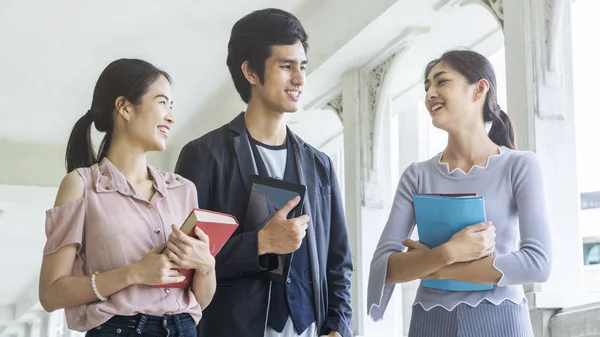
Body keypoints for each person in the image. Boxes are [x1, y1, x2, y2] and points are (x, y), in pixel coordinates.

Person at [175, 8, 353, 337]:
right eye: (286, 66)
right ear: (251, 73)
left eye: (302, 67)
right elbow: (184, 262)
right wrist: (260, 243)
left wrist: (337, 326)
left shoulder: (320, 165)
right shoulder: (203, 156)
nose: (299, 79)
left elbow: (338, 262)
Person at [366, 49, 552, 337]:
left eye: (441, 82)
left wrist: (437, 267)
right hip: (431, 323)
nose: (430, 93)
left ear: (479, 89)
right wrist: (449, 252)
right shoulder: (417, 176)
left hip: (502, 321)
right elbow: (383, 268)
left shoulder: (519, 166)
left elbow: (537, 263)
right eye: (427, 86)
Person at [39, 58, 216, 337]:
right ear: (124, 107)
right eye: (162, 102)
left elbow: (200, 300)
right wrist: (134, 273)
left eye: (172, 106)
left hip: (184, 328)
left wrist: (207, 266)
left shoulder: (183, 190)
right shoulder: (81, 185)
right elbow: (51, 294)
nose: (171, 117)